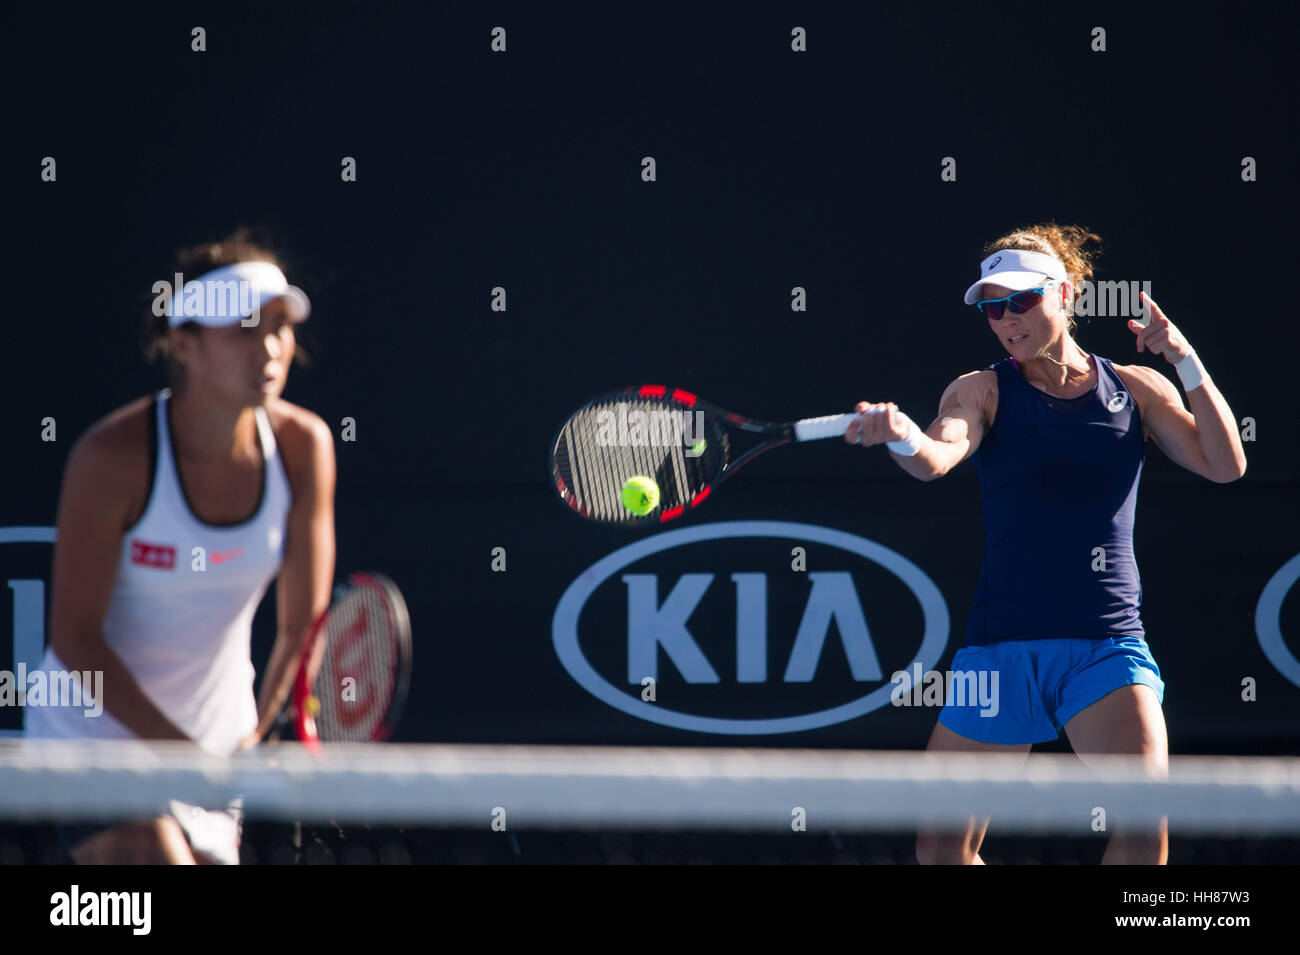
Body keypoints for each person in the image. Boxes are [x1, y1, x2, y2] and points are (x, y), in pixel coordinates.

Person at [846, 223, 1247, 864]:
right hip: (1000, 652)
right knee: (941, 848)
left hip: (1107, 648)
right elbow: (936, 458)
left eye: (1021, 300)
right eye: (992, 306)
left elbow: (1225, 465)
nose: (1006, 318)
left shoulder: (1138, 389)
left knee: (1145, 833)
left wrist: (1183, 358)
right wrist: (899, 435)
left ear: (1065, 294)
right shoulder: (977, 390)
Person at [24, 231, 336, 864]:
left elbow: (302, 625)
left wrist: (260, 732)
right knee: (149, 860)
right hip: (91, 731)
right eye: (244, 330)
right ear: (183, 344)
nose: (270, 348)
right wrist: (188, 759)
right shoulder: (110, 457)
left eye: (279, 327)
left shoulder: (306, 448)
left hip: (219, 742)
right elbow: (75, 639)